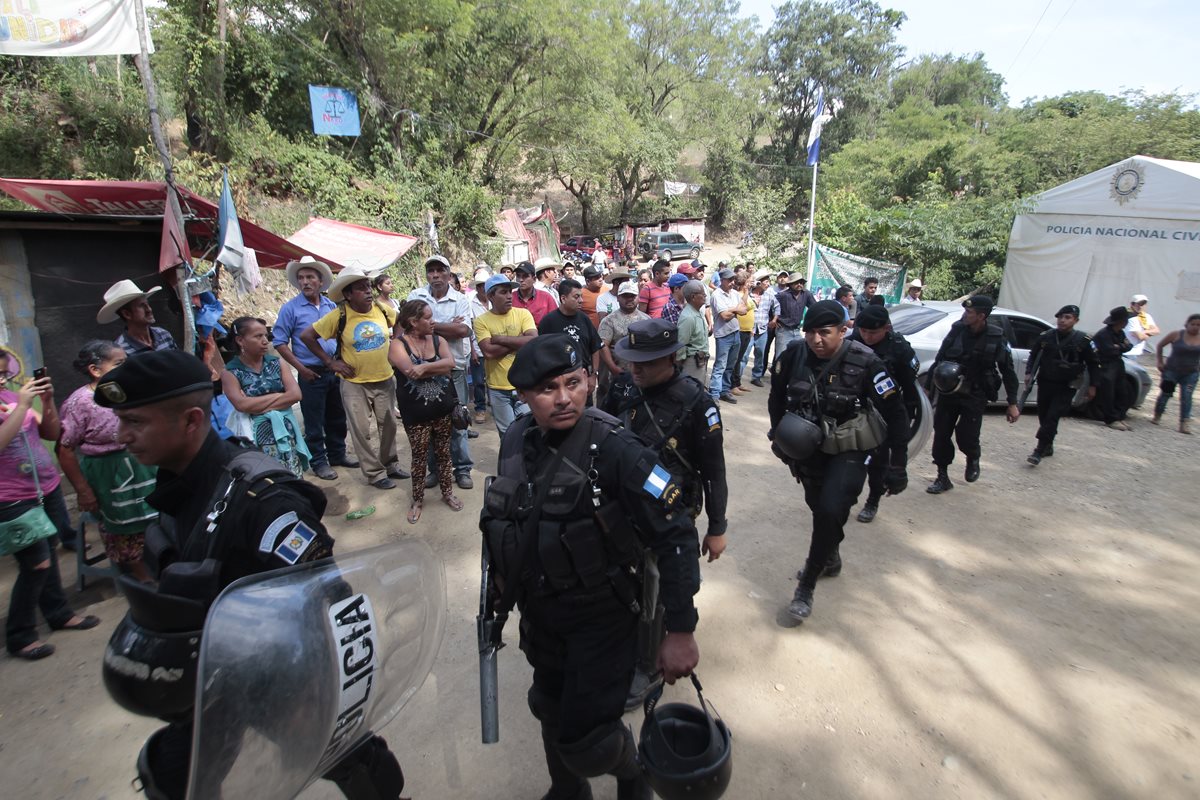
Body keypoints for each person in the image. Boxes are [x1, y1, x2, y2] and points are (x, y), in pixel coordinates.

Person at [94, 350, 405, 799]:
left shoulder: (262, 500)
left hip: (278, 679)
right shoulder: (180, 486)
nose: (122, 436)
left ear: (191, 420)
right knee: (178, 775)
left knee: (344, 757)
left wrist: (309, 698)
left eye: (135, 422)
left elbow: (325, 599)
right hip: (210, 678)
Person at [479, 334, 701, 800]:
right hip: (540, 612)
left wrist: (680, 629)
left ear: (591, 380)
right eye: (546, 389)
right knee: (548, 707)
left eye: (573, 382)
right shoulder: (516, 438)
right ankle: (568, 791)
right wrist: (500, 582)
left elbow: (676, 533)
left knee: (588, 740)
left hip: (602, 616)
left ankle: (632, 773)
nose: (563, 398)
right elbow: (503, 515)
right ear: (522, 396)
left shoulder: (617, 447)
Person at [767, 300, 909, 622]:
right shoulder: (793, 355)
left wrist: (898, 465)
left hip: (849, 449)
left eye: (825, 333)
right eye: (810, 332)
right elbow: (776, 397)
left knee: (832, 508)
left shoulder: (866, 362)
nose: (816, 340)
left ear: (844, 331)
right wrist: (779, 435)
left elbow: (895, 412)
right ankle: (830, 555)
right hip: (807, 452)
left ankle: (807, 583)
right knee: (820, 509)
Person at [614, 318, 728, 708]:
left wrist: (717, 527)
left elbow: (714, 471)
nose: (636, 369)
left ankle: (647, 666)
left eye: (645, 362)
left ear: (671, 357)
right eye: (632, 361)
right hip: (623, 507)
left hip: (670, 513)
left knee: (657, 591)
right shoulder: (624, 388)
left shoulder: (697, 401)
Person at [2, 362, 99, 660]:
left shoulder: (12, 397)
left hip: (45, 488)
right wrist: (23, 406)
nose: (3, 379)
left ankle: (59, 613)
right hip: (11, 497)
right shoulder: (18, 402)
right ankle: (20, 636)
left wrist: (46, 401)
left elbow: (51, 432)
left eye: (4, 373)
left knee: (51, 551)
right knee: (36, 564)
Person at [300, 267, 409, 490]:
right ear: (348, 294)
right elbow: (307, 336)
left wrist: (395, 343)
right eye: (361, 289)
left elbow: (400, 322)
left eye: (368, 286)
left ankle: (391, 464)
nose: (368, 291)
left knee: (388, 425)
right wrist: (331, 362)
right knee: (360, 430)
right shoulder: (339, 315)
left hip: (384, 379)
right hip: (354, 383)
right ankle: (375, 473)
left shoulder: (381, 308)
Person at [57, 340, 156, 582]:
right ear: (95, 370)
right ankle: (142, 578)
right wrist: (83, 490)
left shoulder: (128, 390)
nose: (126, 368)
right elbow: (65, 449)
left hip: (141, 466)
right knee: (125, 525)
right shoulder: (80, 403)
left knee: (154, 516)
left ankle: (159, 563)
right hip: (109, 474)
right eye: (119, 363)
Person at [926, 296, 1020, 493]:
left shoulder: (996, 337)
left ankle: (973, 456)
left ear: (981, 316)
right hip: (949, 392)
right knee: (942, 433)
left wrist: (1012, 403)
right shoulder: (957, 330)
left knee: (967, 435)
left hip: (975, 393)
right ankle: (942, 476)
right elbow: (940, 358)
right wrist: (928, 388)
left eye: (969, 312)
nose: (965, 315)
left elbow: (1008, 371)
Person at [273, 257, 354, 481]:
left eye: (310, 277)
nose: (305, 282)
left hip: (335, 369)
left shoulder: (331, 306)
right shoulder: (290, 309)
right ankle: (319, 461)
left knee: (337, 416)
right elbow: (279, 342)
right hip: (311, 372)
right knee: (314, 420)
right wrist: (300, 368)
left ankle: (338, 454)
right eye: (301, 278)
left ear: (320, 282)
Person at [389, 301, 464, 523]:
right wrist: (434, 366)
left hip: (442, 410)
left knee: (444, 454)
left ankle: (447, 493)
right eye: (428, 318)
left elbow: (450, 364)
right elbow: (410, 372)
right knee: (419, 457)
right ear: (413, 322)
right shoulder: (397, 344)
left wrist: (424, 367)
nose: (433, 321)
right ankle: (418, 500)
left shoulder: (438, 339)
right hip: (415, 415)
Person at [409, 255, 475, 491]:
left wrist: (428, 324)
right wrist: (448, 326)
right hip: (424, 370)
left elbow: (463, 330)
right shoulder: (416, 296)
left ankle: (463, 469)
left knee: (458, 419)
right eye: (431, 271)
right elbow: (409, 330)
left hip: (453, 368)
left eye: (440, 270)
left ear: (448, 273)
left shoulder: (460, 299)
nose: (435, 275)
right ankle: (435, 470)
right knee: (427, 423)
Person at [848, 306, 919, 523]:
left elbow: (909, 387)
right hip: (855, 410)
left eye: (873, 332)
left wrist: (906, 419)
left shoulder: (899, 349)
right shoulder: (852, 342)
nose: (867, 337)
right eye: (864, 331)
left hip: (885, 412)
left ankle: (872, 501)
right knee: (850, 457)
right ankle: (847, 493)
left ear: (886, 328)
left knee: (878, 463)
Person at [219, 317, 310, 478]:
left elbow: (296, 394)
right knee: (268, 477)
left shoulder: (277, 363)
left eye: (265, 336)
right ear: (240, 340)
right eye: (258, 336)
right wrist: (280, 397)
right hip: (257, 435)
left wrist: (254, 403)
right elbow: (241, 405)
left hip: (286, 431)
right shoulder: (230, 372)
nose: (265, 341)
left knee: (293, 474)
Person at [1023, 305, 1099, 465]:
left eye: (1067, 318)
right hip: (1046, 381)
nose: (1062, 321)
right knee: (1044, 415)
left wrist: (1093, 386)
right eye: (1060, 317)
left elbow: (1093, 364)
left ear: (1075, 320)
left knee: (1052, 416)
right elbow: (1033, 355)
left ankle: (1039, 450)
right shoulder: (1046, 337)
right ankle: (1048, 445)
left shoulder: (1083, 340)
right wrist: (1029, 373)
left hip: (1067, 385)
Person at [472, 275, 538, 434]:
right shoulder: (481, 321)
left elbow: (533, 340)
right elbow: (488, 352)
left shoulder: (523, 314)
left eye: (510, 291)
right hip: (498, 388)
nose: (509, 296)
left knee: (529, 431)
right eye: (503, 292)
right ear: (490, 296)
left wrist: (501, 339)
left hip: (524, 384)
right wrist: (520, 340)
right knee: (508, 434)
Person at [538, 278, 603, 398]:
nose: (581, 300)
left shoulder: (584, 319)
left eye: (581, 296)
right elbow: (541, 353)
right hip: (558, 381)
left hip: (582, 377)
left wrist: (594, 375)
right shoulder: (548, 322)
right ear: (563, 298)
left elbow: (595, 348)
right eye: (576, 297)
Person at [597, 283, 650, 411]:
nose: (629, 299)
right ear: (618, 298)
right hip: (617, 372)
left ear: (637, 297)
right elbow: (602, 345)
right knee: (612, 406)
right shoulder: (609, 321)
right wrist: (613, 367)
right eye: (625, 296)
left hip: (641, 372)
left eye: (632, 296)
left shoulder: (647, 320)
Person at [98, 280, 179, 356]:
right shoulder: (120, 352)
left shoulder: (164, 335)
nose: (149, 309)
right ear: (127, 314)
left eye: (147, 304)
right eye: (141, 306)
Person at [1152, 313, 1200, 434]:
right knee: (1166, 393)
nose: (1195, 327)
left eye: (1198, 325)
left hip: (1191, 373)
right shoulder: (1177, 334)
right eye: (1193, 324)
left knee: (1186, 397)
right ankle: (1158, 414)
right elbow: (1160, 345)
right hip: (1172, 370)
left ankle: (1184, 423)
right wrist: (1160, 361)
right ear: (1187, 324)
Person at [1092, 306, 1135, 430]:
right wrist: (1121, 347)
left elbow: (1129, 346)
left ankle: (1119, 416)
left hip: (1118, 363)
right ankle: (1110, 419)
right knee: (1108, 393)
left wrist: (1119, 346)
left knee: (1122, 391)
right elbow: (1109, 350)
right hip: (1106, 365)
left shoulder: (1120, 333)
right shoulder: (1104, 334)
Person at [709, 268, 747, 404]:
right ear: (722, 280)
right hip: (723, 335)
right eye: (729, 280)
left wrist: (732, 310)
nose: (732, 282)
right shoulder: (716, 295)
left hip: (735, 332)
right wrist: (735, 310)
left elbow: (744, 309)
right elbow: (724, 316)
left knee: (730, 365)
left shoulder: (735, 294)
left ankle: (724, 390)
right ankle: (714, 393)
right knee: (720, 366)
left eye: (733, 280)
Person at [748, 269, 779, 387]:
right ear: (759, 282)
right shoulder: (748, 293)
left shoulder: (770, 295)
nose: (768, 284)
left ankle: (756, 377)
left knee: (760, 353)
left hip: (762, 329)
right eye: (766, 281)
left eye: (768, 281)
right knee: (744, 355)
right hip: (748, 330)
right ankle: (737, 379)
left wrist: (774, 320)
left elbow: (777, 307)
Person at [677, 280, 711, 385]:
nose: (705, 295)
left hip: (700, 361)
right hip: (691, 363)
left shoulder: (697, 312)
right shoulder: (688, 317)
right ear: (693, 297)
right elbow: (681, 345)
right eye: (702, 293)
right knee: (692, 390)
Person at [774, 273, 815, 357]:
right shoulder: (783, 295)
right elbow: (770, 305)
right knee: (780, 356)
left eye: (801, 282)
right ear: (790, 284)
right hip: (783, 330)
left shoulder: (806, 294)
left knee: (798, 355)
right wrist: (774, 319)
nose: (799, 284)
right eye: (796, 282)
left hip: (797, 330)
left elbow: (815, 307)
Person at [731, 275, 757, 395]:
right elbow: (743, 306)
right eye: (749, 281)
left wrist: (751, 328)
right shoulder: (737, 294)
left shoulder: (746, 293)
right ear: (743, 282)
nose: (751, 283)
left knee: (740, 358)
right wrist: (746, 292)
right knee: (736, 359)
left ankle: (737, 382)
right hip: (740, 330)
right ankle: (732, 385)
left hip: (747, 330)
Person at [513, 261, 558, 325]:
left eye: (525, 276)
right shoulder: (510, 298)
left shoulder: (546, 297)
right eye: (518, 276)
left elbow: (556, 321)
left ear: (534, 279)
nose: (521, 280)